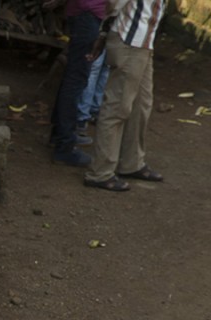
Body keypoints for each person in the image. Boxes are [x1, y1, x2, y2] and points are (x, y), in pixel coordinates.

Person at [83, 0, 167, 191]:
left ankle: (132, 162)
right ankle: (100, 172)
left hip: (144, 43)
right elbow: (113, 4)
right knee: (117, 107)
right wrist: (104, 33)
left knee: (141, 105)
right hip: (130, 41)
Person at [47, 0, 107, 167]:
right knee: (76, 79)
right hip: (88, 13)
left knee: (73, 77)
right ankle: (64, 146)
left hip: (83, 13)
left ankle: (60, 135)